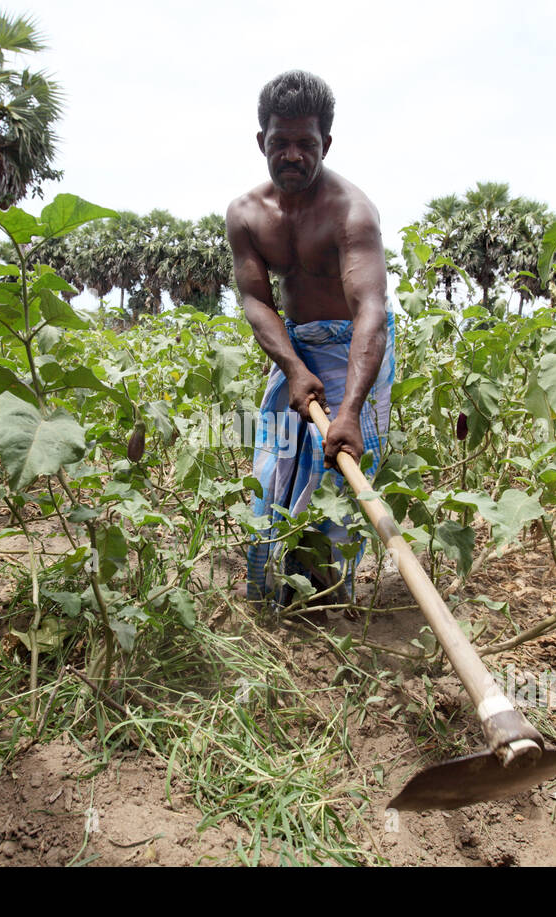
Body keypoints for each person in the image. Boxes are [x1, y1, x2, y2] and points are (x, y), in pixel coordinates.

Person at [225, 69, 395, 613]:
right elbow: (256, 300)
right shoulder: (247, 214)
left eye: (306, 143)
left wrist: (348, 410)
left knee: (336, 469)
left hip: (354, 347)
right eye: (281, 143)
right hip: (292, 348)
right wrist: (294, 369)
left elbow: (371, 309)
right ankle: (269, 589)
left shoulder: (351, 212)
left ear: (326, 143)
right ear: (262, 142)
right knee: (273, 464)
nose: (293, 155)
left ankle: (322, 598)